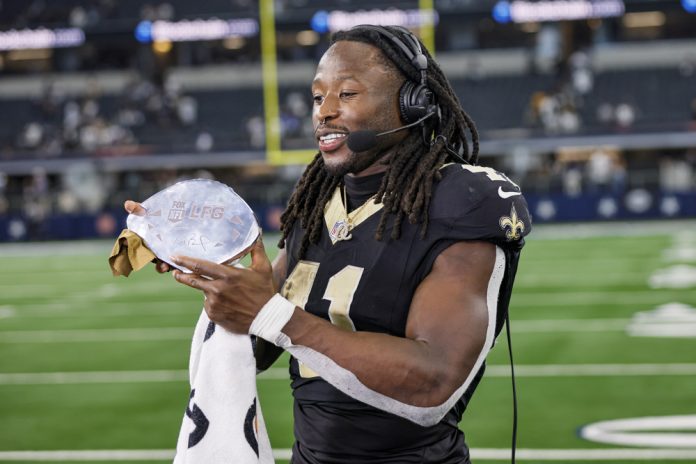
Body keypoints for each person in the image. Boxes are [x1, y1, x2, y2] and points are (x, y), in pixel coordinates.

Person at [126, 25, 531, 463]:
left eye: (348, 94)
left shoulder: (460, 201)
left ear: (412, 102)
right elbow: (260, 341)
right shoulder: (318, 200)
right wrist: (211, 273)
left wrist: (272, 313)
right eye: (319, 97)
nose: (325, 112)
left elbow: (432, 384)